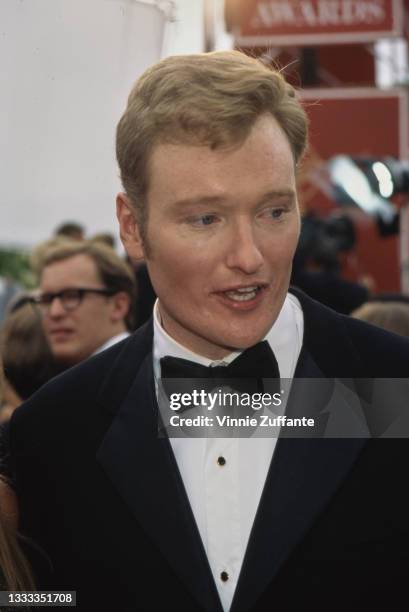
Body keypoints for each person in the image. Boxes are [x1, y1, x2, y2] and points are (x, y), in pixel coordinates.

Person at [3, 51, 409, 611]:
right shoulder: (51, 434)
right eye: (205, 219)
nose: (250, 257)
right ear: (133, 228)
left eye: (272, 212)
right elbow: (47, 602)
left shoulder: (395, 388)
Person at [31, 240, 136, 366]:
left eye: (71, 296)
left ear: (118, 306)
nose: (55, 312)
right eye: (46, 299)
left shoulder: (156, 375)